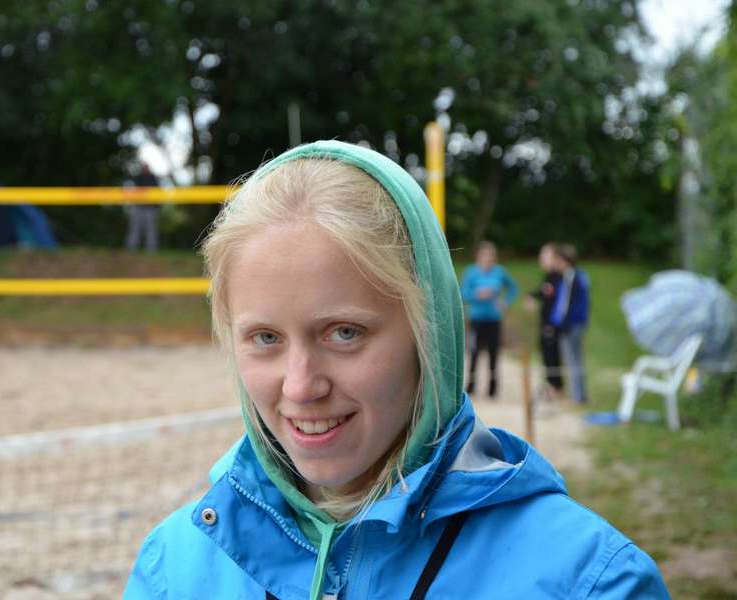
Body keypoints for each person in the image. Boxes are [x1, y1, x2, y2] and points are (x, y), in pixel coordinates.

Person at [125, 141, 668, 599]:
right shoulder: (174, 569)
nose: (301, 386)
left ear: (429, 332)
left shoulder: (589, 581)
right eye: (265, 338)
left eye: (344, 333)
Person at [459, 241, 518, 398]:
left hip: (494, 319)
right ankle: (471, 386)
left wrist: (505, 302)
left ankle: (493, 389)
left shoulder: (500, 272)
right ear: (478, 256)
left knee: (493, 353)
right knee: (474, 352)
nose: (488, 258)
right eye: (484, 255)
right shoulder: (471, 272)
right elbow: (462, 292)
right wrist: (476, 294)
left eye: (490, 255)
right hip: (476, 319)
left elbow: (513, 288)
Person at [550, 244, 590, 404]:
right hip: (574, 323)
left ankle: (577, 396)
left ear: (565, 261)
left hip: (572, 324)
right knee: (575, 359)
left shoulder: (573, 278)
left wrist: (561, 323)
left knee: (573, 360)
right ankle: (579, 394)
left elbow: (566, 304)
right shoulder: (573, 276)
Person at [525, 243, 564, 400]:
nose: (541, 258)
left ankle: (555, 387)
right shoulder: (549, 277)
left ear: (555, 258)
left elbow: (554, 299)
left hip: (551, 325)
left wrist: (551, 324)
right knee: (546, 353)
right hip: (546, 323)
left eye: (545, 255)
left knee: (551, 354)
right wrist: (532, 296)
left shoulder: (558, 277)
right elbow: (543, 292)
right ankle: (551, 385)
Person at [125, 163, 161, 253]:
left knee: (151, 229)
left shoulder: (153, 179)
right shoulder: (137, 178)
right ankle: (131, 248)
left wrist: (157, 207)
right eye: (144, 168)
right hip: (138, 207)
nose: (145, 169)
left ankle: (151, 249)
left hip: (150, 208)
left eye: (147, 168)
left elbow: (157, 193)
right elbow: (132, 191)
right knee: (135, 228)